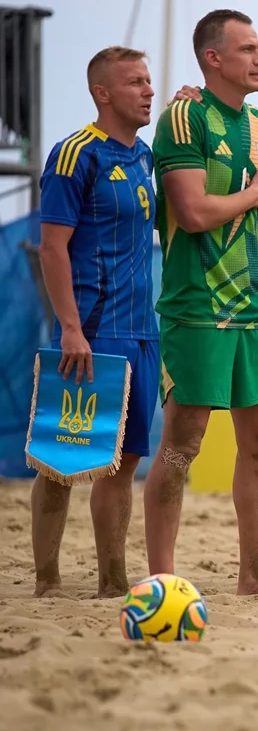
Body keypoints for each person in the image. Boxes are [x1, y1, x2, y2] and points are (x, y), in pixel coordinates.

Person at [146, 9, 258, 596]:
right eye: (249, 49)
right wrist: (256, 191)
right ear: (214, 58)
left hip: (255, 303)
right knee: (183, 444)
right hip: (197, 304)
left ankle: (254, 576)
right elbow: (194, 213)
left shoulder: (257, 124)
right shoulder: (184, 116)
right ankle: (161, 577)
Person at [31, 47, 158, 598]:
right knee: (62, 463)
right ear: (103, 94)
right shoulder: (73, 154)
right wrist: (70, 328)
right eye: (135, 83)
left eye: (150, 81)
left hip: (141, 332)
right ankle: (47, 580)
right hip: (91, 332)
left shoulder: (146, 156)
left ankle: (112, 581)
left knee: (123, 463)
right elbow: (51, 248)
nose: (148, 91)